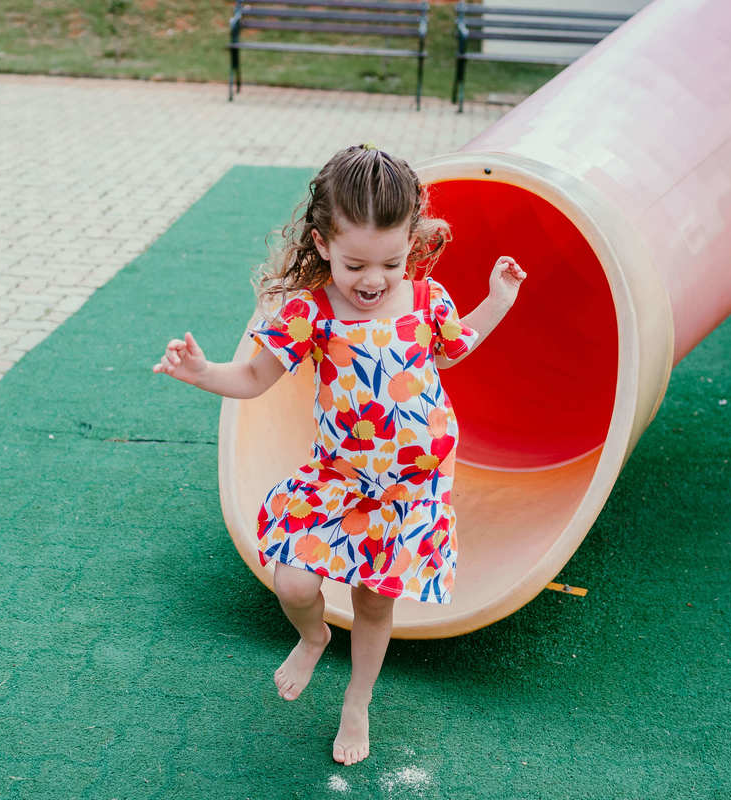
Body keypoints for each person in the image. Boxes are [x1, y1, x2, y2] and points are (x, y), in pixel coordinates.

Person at [152, 144, 526, 766]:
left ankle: (358, 700)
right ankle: (313, 634)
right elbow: (251, 380)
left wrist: (498, 300)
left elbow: (454, 350)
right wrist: (200, 372)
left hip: (409, 488)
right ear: (324, 245)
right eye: (356, 264)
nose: (374, 280)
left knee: (375, 599)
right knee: (294, 580)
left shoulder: (427, 301)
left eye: (392, 262)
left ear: (412, 244)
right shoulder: (313, 312)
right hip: (341, 478)